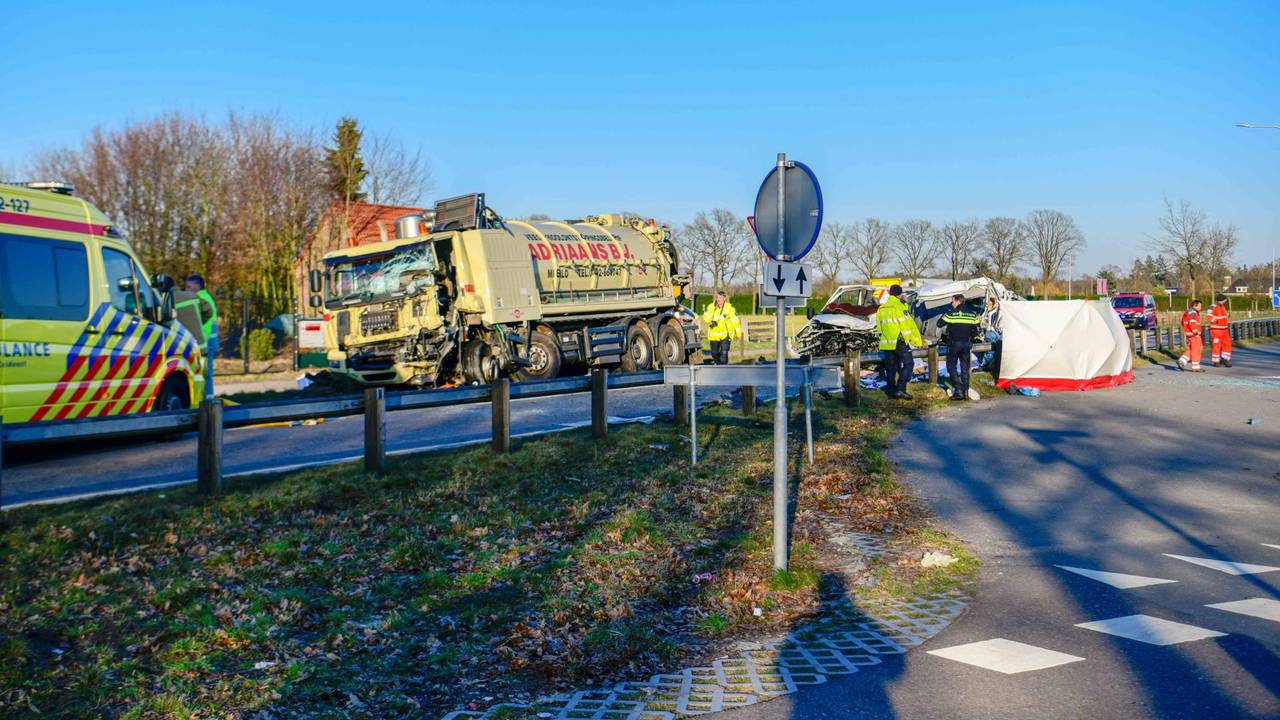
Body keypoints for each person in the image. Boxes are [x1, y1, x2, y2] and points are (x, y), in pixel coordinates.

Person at [876, 284, 923, 399]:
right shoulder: (900, 306)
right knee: (909, 363)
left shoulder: (881, 308)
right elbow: (907, 325)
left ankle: (891, 391)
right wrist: (916, 340)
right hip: (899, 341)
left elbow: (879, 328)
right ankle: (900, 388)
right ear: (899, 294)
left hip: (887, 342)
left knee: (891, 367)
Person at [178, 274, 219, 398]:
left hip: (206, 341)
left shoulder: (199, 299)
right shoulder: (205, 297)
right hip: (209, 340)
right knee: (205, 372)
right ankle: (206, 397)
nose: (186, 289)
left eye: (189, 286)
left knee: (206, 373)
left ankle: (208, 398)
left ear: (197, 286)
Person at [939, 294, 980, 400]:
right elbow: (977, 331)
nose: (951, 303)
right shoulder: (972, 314)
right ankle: (966, 390)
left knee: (951, 366)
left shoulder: (951, 313)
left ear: (958, 301)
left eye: (952, 301)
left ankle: (958, 389)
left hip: (954, 343)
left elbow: (939, 323)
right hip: (967, 344)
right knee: (965, 367)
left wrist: (948, 312)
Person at [702, 290, 742, 365]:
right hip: (714, 335)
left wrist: (738, 334)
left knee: (724, 353)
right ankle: (718, 365)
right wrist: (712, 310)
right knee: (714, 354)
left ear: (724, 298)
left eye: (720, 297)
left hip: (725, 335)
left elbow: (735, 321)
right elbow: (706, 319)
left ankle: (724, 369)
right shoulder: (711, 307)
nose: (718, 299)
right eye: (717, 297)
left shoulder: (729, 308)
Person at [1176, 299, 1204, 372]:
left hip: (1190, 334)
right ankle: (1196, 367)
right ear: (1195, 305)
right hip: (1194, 334)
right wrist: (1196, 332)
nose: (1201, 307)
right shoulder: (1194, 313)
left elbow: (1183, 322)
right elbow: (1192, 323)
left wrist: (1187, 330)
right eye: (1200, 306)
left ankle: (1182, 361)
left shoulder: (1187, 312)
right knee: (1197, 350)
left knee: (1192, 349)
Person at [980, 296, 1003, 377]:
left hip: (993, 332)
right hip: (991, 332)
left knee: (991, 350)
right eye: (988, 304)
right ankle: (987, 365)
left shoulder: (995, 312)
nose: (988, 306)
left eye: (990, 304)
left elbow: (996, 324)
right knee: (990, 350)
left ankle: (987, 365)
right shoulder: (988, 312)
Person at [1207, 293, 1232, 367]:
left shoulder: (1222, 306)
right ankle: (1216, 361)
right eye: (1225, 300)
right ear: (1222, 300)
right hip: (1216, 329)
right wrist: (1217, 321)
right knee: (1216, 345)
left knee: (1227, 344)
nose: (1225, 301)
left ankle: (1225, 359)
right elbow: (1208, 317)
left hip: (1224, 329)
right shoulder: (1212, 307)